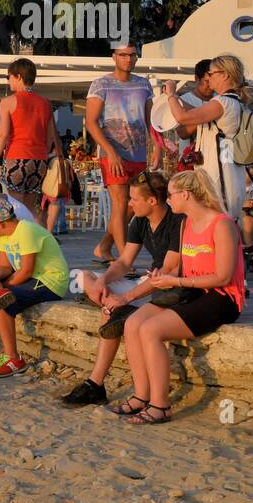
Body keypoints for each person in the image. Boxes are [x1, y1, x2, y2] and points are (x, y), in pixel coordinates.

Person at [113, 169, 245, 424]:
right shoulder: (185, 223)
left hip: (221, 297)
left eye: (171, 195)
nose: (168, 199)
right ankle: (141, 395)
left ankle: (160, 405)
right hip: (192, 289)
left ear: (186, 194)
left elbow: (223, 277)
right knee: (131, 324)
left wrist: (176, 280)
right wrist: (161, 278)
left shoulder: (222, 224)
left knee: (151, 330)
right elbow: (180, 268)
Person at [61, 171, 183, 406]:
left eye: (134, 199)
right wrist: (103, 280)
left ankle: (95, 382)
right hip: (147, 282)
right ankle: (119, 311)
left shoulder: (177, 222)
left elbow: (168, 271)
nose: (129, 204)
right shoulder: (139, 221)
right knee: (83, 276)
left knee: (109, 311)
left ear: (152, 201)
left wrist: (125, 297)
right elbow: (125, 262)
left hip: (166, 286)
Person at [0, 196, 71, 378]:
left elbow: (26, 271)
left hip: (49, 281)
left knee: (1, 303)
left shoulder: (25, 230)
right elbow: (6, 266)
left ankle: (13, 358)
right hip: (30, 279)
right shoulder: (4, 235)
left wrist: (4, 286)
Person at [86, 44, 156, 263]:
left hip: (139, 154)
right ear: (114, 57)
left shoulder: (143, 84)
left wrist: (157, 146)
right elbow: (91, 122)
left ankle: (104, 246)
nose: (128, 59)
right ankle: (125, 259)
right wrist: (110, 152)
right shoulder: (101, 84)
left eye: (132, 55)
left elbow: (150, 120)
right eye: (123, 55)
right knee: (120, 203)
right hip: (112, 154)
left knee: (134, 205)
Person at [161, 55, 249, 221]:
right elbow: (194, 113)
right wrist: (178, 100)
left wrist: (171, 94)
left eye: (211, 73)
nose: (208, 78)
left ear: (225, 75)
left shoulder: (222, 102)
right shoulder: (233, 101)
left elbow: (182, 118)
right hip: (227, 175)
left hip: (217, 180)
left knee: (217, 225)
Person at [0, 57, 63, 220]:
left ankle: (20, 243)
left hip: (17, 159)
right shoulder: (45, 103)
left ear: (18, 76)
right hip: (39, 160)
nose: (8, 81)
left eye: (9, 77)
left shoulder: (8, 102)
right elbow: (50, 138)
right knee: (30, 208)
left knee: (16, 207)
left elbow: (3, 136)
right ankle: (34, 242)